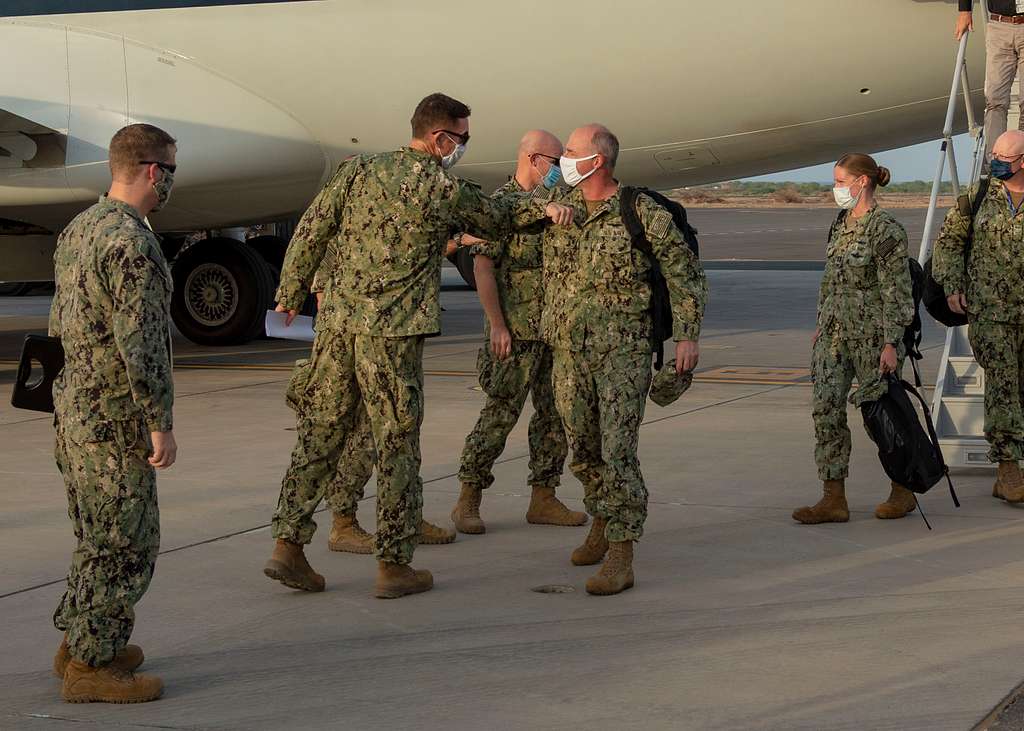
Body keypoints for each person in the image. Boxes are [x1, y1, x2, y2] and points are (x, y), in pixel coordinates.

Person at [264, 93, 571, 599]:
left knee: (319, 435)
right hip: (393, 335)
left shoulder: (358, 171)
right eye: (462, 138)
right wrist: (544, 207)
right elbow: (495, 218)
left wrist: (289, 293)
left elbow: (313, 228)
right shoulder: (439, 184)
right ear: (439, 137)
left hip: (339, 327)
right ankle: (393, 565)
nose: (463, 147)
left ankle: (288, 545)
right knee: (396, 444)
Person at [540, 124, 707, 595]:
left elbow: (684, 273)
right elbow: (508, 208)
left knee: (616, 452)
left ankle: (621, 550)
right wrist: (544, 204)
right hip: (569, 350)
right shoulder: (560, 204)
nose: (562, 160)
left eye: (571, 152)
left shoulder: (640, 211)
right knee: (584, 450)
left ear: (598, 160)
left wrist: (686, 337)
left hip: (622, 351)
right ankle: (601, 518)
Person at [49, 123, 178, 703]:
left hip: (75, 409)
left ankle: (80, 641)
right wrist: (160, 421)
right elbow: (142, 343)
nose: (171, 181)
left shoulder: (81, 228)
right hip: (114, 418)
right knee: (127, 542)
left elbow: (60, 323)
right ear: (154, 171)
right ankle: (92, 667)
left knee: (94, 534)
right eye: (170, 170)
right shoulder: (132, 241)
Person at [450, 129, 585, 534]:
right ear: (534, 160)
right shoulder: (500, 207)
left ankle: (544, 496)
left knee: (554, 415)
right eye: (556, 162)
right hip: (515, 331)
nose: (561, 170)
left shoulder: (558, 205)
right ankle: (468, 498)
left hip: (554, 330)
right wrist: (497, 326)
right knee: (499, 414)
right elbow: (482, 269)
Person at [792, 153, 915, 525]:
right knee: (826, 410)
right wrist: (821, 320)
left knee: (881, 417)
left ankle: (903, 488)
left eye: (841, 181)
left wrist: (892, 342)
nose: (836, 189)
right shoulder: (840, 223)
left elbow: (898, 291)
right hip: (834, 336)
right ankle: (833, 497)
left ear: (862, 182)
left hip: (873, 338)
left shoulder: (886, 229)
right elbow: (831, 278)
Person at [934, 129, 1024, 502]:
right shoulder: (978, 197)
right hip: (991, 314)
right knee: (1003, 388)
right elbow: (949, 241)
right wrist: (952, 284)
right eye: (995, 157)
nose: (997, 163)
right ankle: (1008, 470)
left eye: (1005, 159)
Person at [956, 2, 1024, 164]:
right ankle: (996, 162)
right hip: (999, 26)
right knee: (995, 100)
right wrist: (964, 10)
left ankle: (1020, 157)